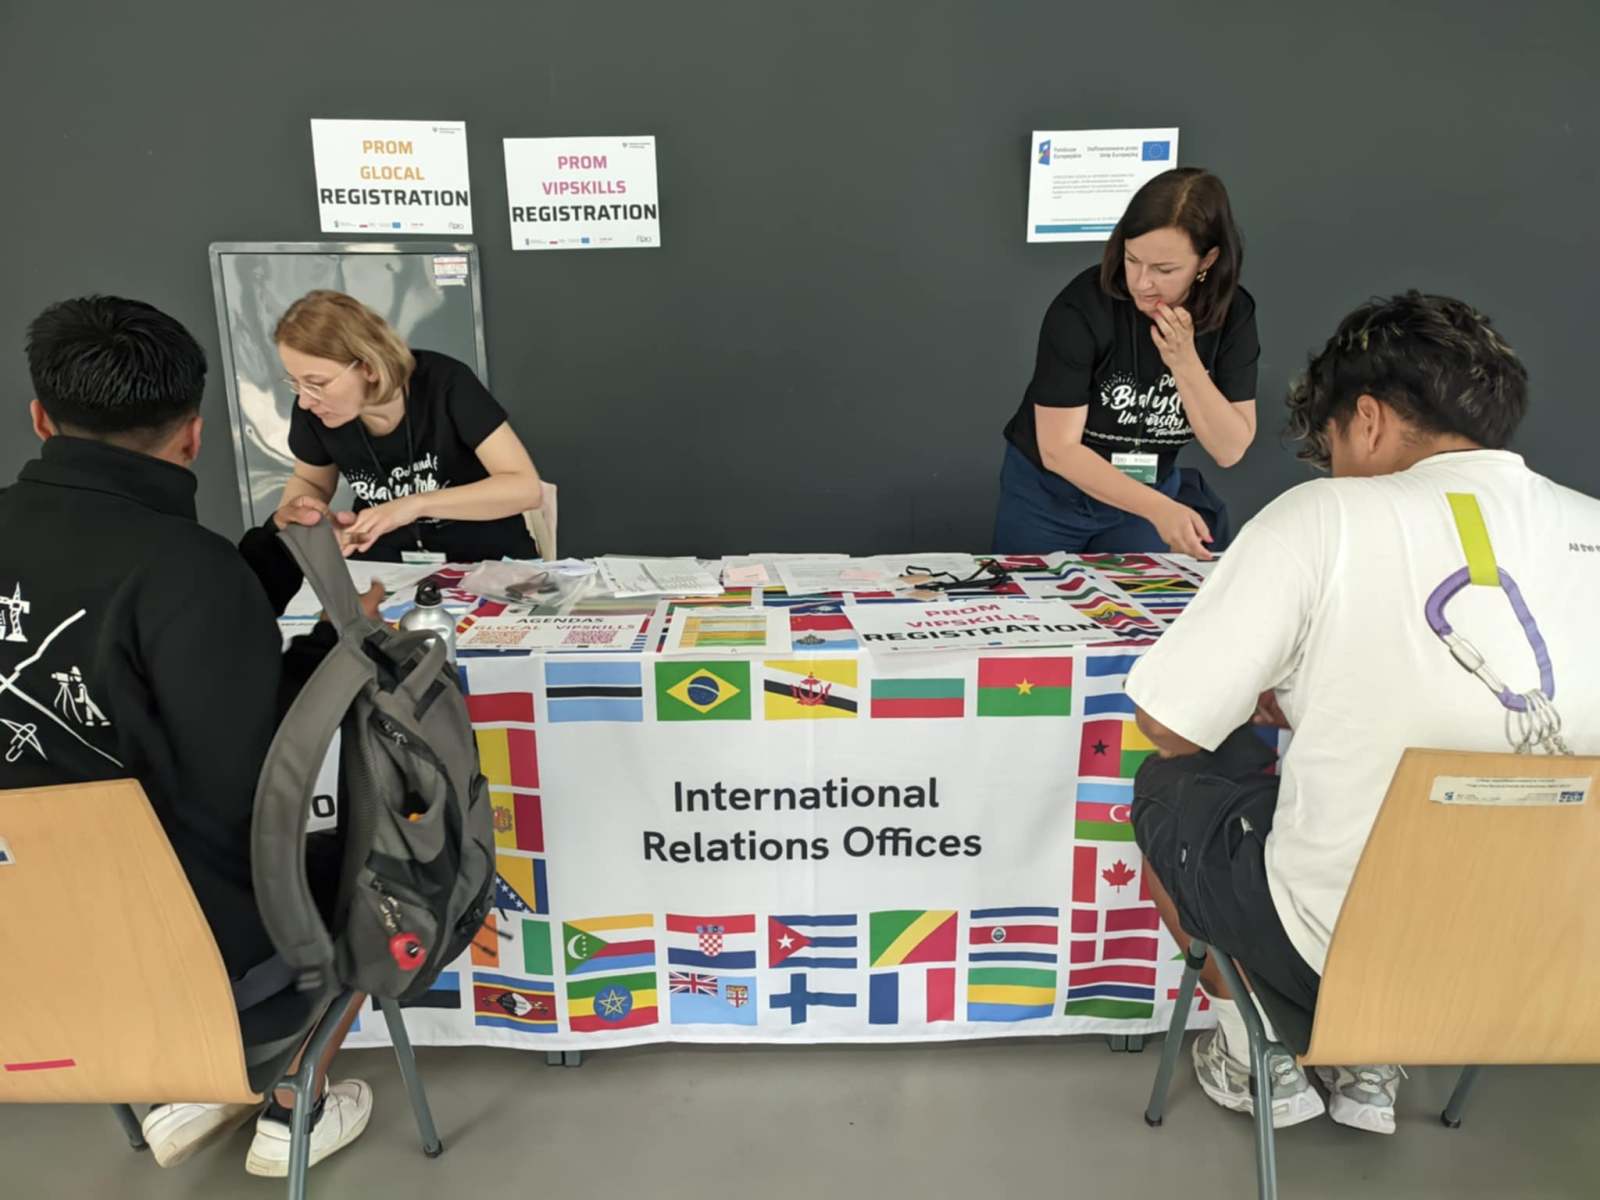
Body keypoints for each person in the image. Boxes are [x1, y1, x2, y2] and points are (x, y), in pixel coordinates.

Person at [1124, 292, 1600, 1134]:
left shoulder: (1325, 517)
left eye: (1334, 445)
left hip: (1332, 952)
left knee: (1168, 786)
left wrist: (1281, 694)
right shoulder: (1589, 525)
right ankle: (1374, 1058)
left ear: (1368, 420)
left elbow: (1169, 723)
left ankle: (1252, 1042)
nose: (1335, 469)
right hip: (1552, 961)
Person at [2, 296, 375, 1175]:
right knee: (387, 863)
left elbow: (138, 642)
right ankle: (290, 1098)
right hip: (192, 959)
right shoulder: (184, 569)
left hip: (28, 957)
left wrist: (268, 555)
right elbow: (255, 780)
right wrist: (335, 641)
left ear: (42, 419)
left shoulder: (188, 573)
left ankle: (187, 1082)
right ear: (193, 436)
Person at [994, 168, 1259, 558]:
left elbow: (1229, 448)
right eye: (1132, 259)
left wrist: (1185, 363)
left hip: (1148, 492)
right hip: (1050, 493)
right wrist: (1159, 509)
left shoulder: (1233, 314)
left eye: (1164, 270)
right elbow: (1058, 449)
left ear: (1207, 260)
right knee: (1030, 589)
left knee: (1136, 596)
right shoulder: (1081, 307)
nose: (1141, 282)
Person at [274, 289, 543, 562]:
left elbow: (525, 489)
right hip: (384, 564)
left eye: (316, 383)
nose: (305, 401)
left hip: (486, 559)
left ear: (369, 367)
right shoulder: (316, 410)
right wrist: (304, 516)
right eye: (295, 382)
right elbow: (311, 481)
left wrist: (414, 505)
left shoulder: (445, 383)